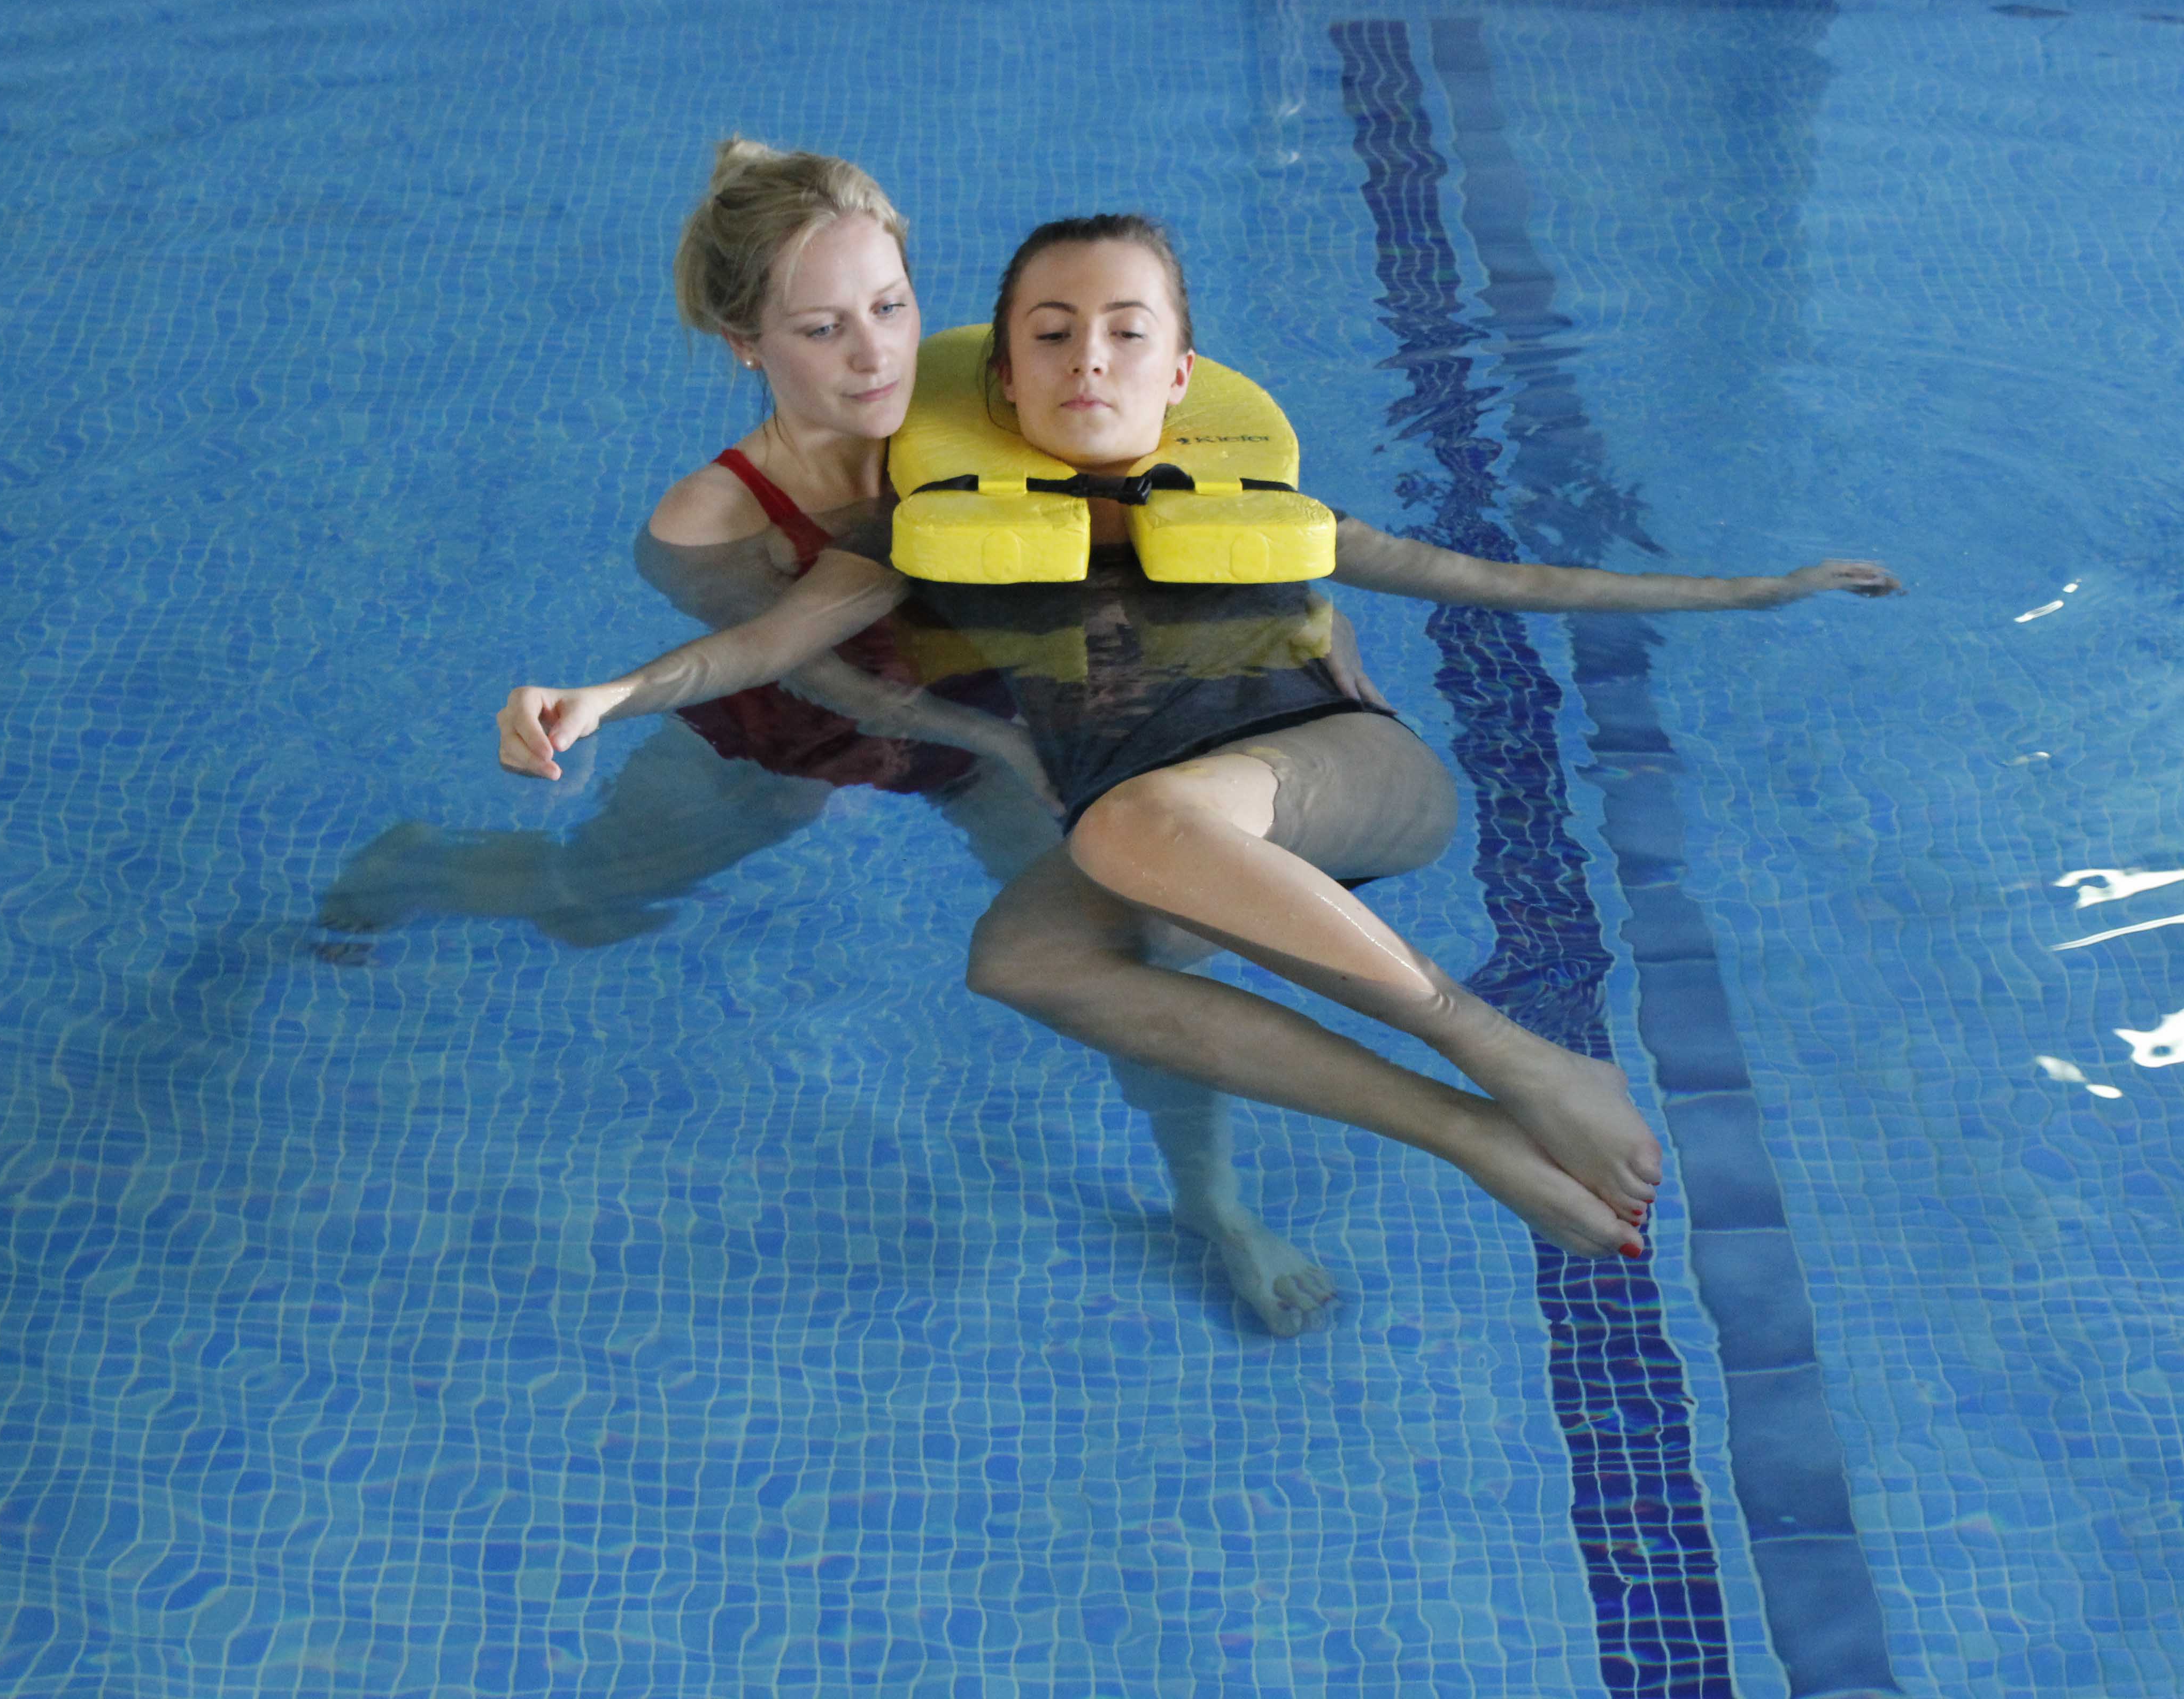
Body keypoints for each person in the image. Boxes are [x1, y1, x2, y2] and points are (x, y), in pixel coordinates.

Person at [497, 214, 1900, 1263]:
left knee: (1126, 823)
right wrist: (607, 699)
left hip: (1338, 775)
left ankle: (1519, 1062)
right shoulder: (930, 538)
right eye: (1048, 333)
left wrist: (1764, 586)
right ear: (1002, 386)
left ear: (1180, 377)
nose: (1086, 357)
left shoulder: (1276, 508)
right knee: (1025, 954)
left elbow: (1520, 585)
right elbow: (755, 647)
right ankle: (1469, 1131)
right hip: (1172, 835)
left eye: (1126, 333)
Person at [328, 149, 1341, 1333]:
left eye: (894, 308)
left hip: (994, 729)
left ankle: (1214, 1205)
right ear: (745, 343)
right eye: (822, 329)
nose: (876, 358)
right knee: (586, 904)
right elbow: (838, 689)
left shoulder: (997, 402)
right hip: (796, 741)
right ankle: (414, 865)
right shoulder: (709, 521)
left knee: (1151, 960)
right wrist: (601, 700)